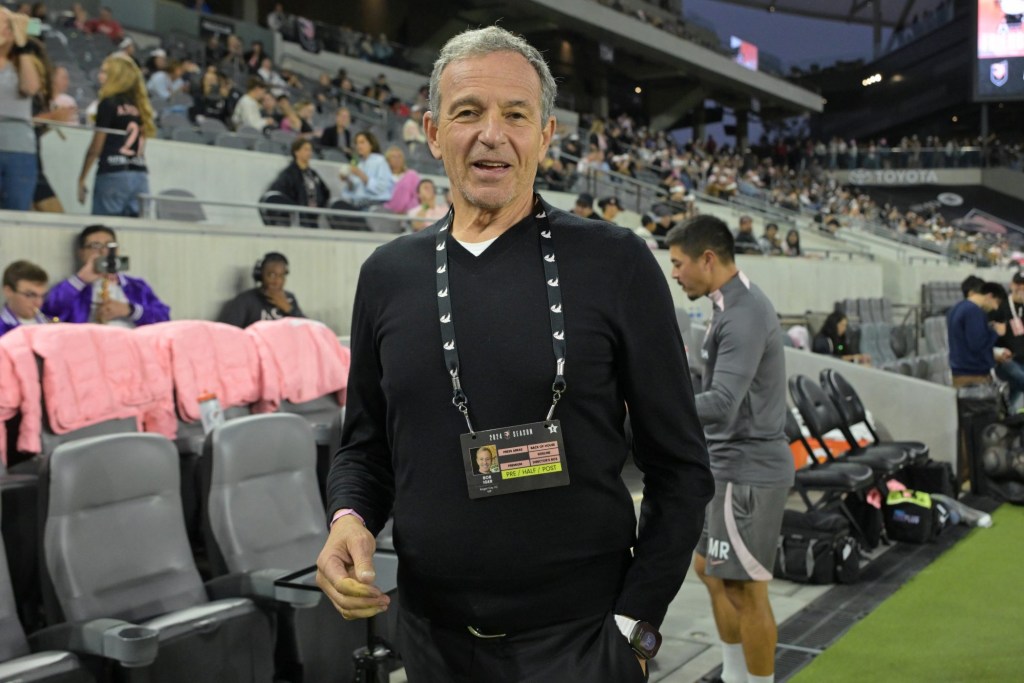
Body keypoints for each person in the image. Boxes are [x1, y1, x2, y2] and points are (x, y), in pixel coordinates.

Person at [316, 25, 713, 683]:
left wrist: (633, 628)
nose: (491, 133)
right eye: (468, 112)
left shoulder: (614, 262)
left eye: (515, 115)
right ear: (433, 131)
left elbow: (681, 466)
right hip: (428, 636)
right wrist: (348, 518)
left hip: (582, 643)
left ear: (546, 135)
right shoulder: (388, 274)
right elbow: (363, 445)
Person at [666, 215, 794, 683]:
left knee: (746, 591)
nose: (675, 274)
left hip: (748, 472)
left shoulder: (743, 314)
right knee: (710, 570)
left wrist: (653, 406)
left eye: (678, 264)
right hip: (725, 465)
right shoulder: (728, 305)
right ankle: (734, 676)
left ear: (707, 259)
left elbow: (721, 403)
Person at [43, 224, 170, 327]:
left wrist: (129, 310)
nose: (103, 251)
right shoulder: (74, 288)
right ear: (81, 253)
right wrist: (81, 279)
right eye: (95, 246)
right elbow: (48, 313)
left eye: (110, 246)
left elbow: (164, 319)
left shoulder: (136, 286)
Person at [77, 53, 155, 217]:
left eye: (105, 72)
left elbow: (96, 147)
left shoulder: (108, 103)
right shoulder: (140, 106)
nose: (100, 76)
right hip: (140, 174)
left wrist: (82, 178)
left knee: (106, 227)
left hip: (113, 172)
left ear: (116, 76)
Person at [0, 7, 41, 211]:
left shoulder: (22, 62)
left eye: (9, 25)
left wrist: (22, 44)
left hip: (19, 147)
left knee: (16, 209)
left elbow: (30, 87)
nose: (5, 29)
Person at [217, 252, 305, 328]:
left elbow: (309, 331)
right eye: (272, 275)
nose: (277, 281)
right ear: (260, 276)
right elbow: (230, 334)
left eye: (281, 276)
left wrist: (289, 309)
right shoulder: (245, 301)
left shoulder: (289, 298)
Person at [947, 278, 1004, 389]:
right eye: (996, 303)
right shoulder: (974, 311)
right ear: (989, 296)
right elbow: (978, 345)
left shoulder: (957, 308)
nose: (995, 308)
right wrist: (995, 332)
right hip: (973, 375)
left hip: (960, 372)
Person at [267, 138, 329, 227]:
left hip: (313, 218)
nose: (309, 152)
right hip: (297, 219)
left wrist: (320, 206)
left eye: (310, 150)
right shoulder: (288, 173)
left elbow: (325, 191)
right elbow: (279, 193)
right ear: (296, 152)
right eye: (306, 149)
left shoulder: (312, 173)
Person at [337, 130, 394, 209]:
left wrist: (361, 174)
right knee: (336, 204)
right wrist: (347, 180)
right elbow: (355, 188)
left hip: (373, 202)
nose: (359, 146)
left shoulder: (380, 161)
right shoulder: (360, 164)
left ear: (371, 145)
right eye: (357, 143)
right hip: (358, 202)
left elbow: (382, 188)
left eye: (362, 142)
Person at [1, 260, 50, 335]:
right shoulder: (3, 329)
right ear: (8, 291)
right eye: (30, 295)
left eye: (43, 296)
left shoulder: (48, 325)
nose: (39, 302)